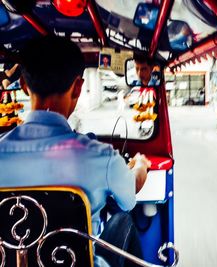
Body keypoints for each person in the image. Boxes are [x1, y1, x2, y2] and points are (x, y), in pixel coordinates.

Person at [0, 36, 150, 266]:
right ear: (78, 87)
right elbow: (128, 198)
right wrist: (140, 166)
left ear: (22, 84)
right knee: (123, 219)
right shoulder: (101, 157)